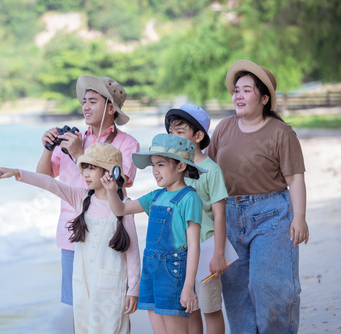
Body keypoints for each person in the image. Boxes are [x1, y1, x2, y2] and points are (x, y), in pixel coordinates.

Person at [0, 142, 141, 333]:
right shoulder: (82, 198)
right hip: (82, 282)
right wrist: (17, 172)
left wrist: (133, 289)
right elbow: (51, 183)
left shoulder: (125, 207)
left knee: (112, 328)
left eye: (92, 168)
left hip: (112, 285)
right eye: (84, 167)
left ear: (111, 172)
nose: (85, 173)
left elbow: (133, 253)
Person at [206, 59, 309, 333]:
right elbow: (208, 172)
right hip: (228, 216)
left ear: (264, 98)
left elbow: (295, 177)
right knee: (237, 293)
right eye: (236, 90)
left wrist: (299, 217)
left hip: (272, 215)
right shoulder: (224, 127)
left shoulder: (281, 133)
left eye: (246, 90)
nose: (238, 95)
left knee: (272, 287)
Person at [36, 75, 139, 309]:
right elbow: (44, 178)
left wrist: (79, 153)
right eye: (84, 101)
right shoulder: (73, 139)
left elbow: (115, 182)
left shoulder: (127, 143)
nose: (85, 106)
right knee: (78, 310)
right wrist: (47, 148)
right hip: (72, 234)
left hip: (107, 236)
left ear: (110, 107)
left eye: (93, 101)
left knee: (107, 306)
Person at [102, 134, 206, 334]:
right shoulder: (155, 196)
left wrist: (188, 286)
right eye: (153, 166)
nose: (155, 171)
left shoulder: (189, 198)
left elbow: (194, 245)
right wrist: (110, 190)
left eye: (161, 165)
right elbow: (120, 210)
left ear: (181, 166)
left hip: (173, 273)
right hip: (151, 271)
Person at [165, 103, 228, 334]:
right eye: (171, 133)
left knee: (210, 309)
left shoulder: (212, 171)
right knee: (189, 307)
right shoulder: (175, 169)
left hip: (206, 248)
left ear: (199, 135)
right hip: (181, 252)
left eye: (180, 133)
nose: (174, 138)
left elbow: (220, 214)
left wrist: (219, 253)